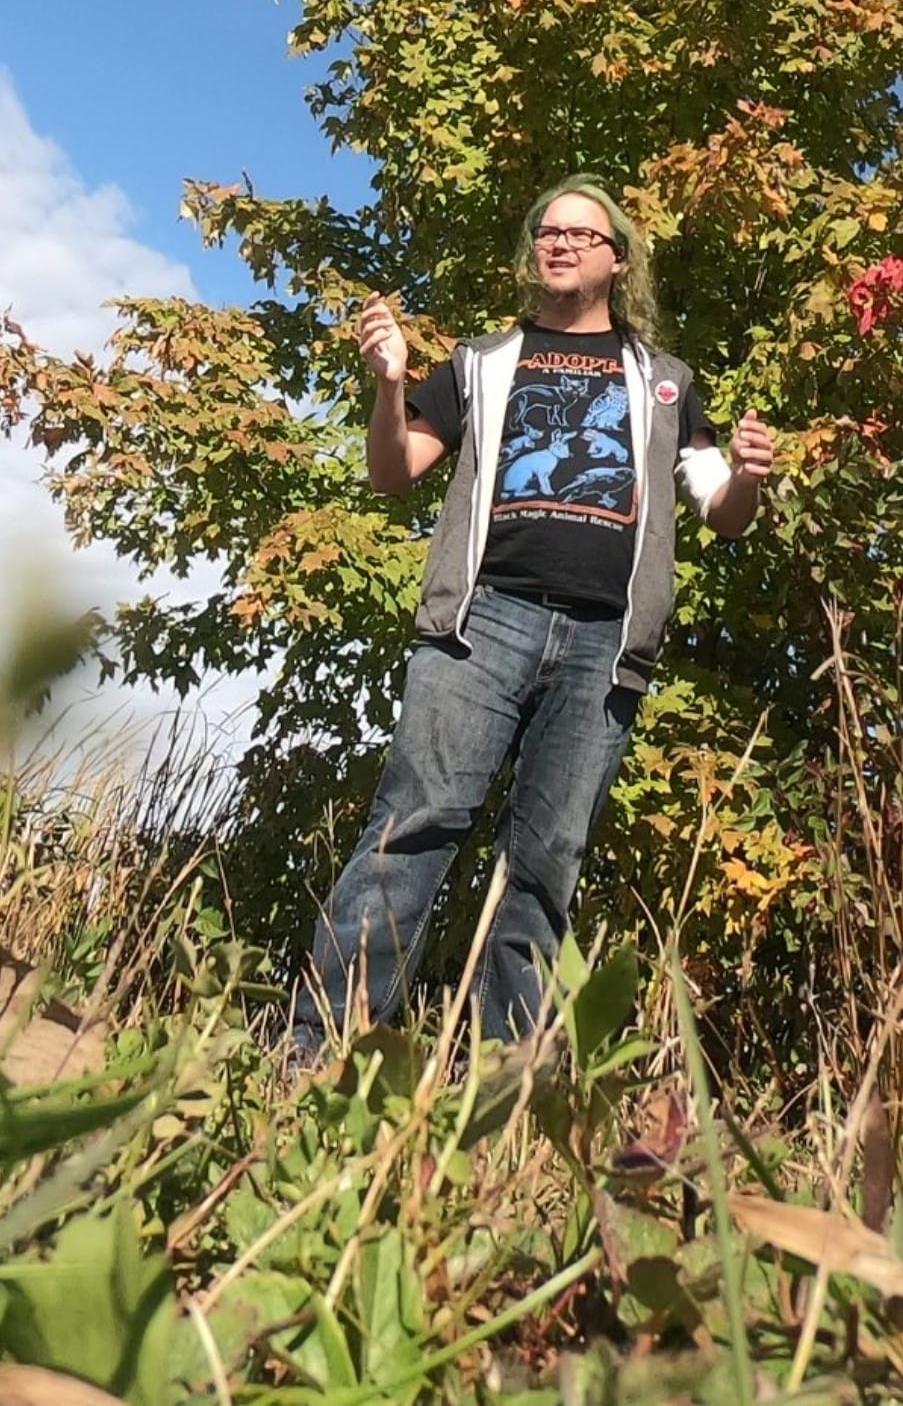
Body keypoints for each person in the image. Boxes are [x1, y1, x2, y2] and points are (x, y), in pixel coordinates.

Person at [291, 175, 774, 1050]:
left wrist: (745, 475)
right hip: (483, 626)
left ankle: (507, 1092)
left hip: (605, 646)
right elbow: (394, 470)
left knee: (546, 868)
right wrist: (391, 384)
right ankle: (318, 1053)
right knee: (412, 830)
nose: (557, 242)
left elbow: (722, 512)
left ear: (617, 260)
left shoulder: (665, 384)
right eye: (546, 230)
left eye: (581, 234)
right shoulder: (481, 363)